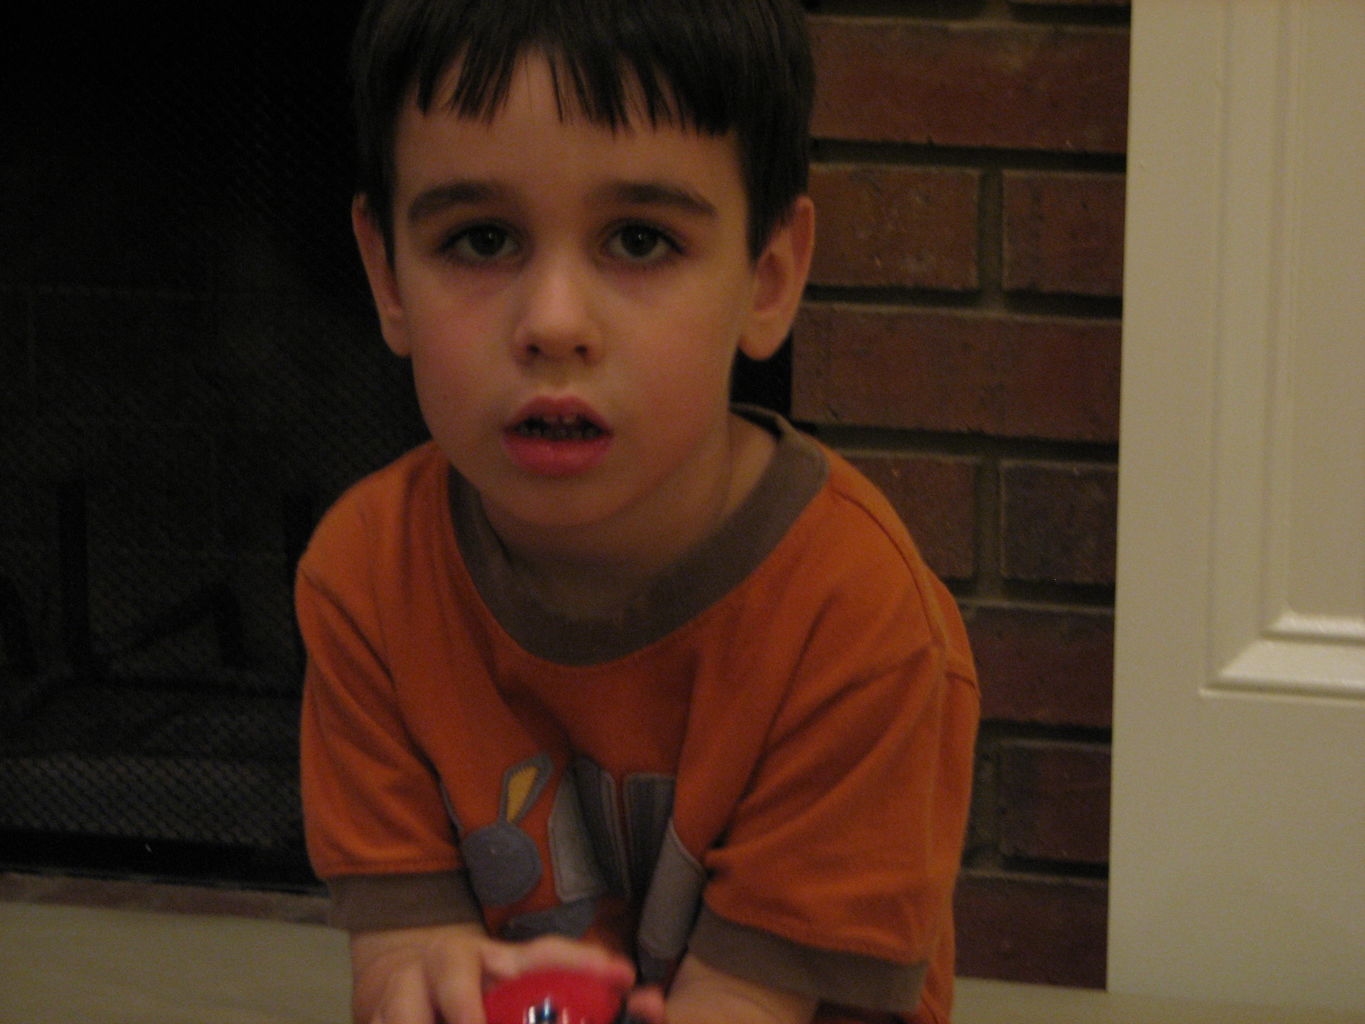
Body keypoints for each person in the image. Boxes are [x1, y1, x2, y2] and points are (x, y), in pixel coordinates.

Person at [295, 0, 980, 1021]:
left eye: (641, 240)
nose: (554, 324)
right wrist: (432, 986)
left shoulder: (858, 618)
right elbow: (404, 956)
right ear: (387, 274)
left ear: (769, 276)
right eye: (481, 239)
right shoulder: (365, 576)